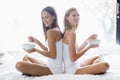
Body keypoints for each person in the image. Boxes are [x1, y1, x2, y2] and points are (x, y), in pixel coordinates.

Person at [16, 6, 63, 76]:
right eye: (43, 18)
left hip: (53, 69)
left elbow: (52, 55)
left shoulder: (51, 32)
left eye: (47, 17)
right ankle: (34, 70)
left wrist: (35, 50)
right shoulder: (56, 29)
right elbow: (49, 50)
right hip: (52, 65)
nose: (44, 20)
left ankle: (33, 71)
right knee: (26, 57)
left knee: (18, 65)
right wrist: (36, 41)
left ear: (53, 17)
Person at [63, 8, 109, 74]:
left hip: (76, 65)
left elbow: (78, 50)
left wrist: (87, 40)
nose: (77, 17)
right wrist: (89, 47)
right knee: (106, 65)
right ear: (67, 18)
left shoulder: (70, 32)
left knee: (98, 57)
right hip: (73, 70)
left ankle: (92, 68)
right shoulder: (71, 34)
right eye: (74, 15)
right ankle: (93, 68)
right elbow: (73, 58)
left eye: (78, 15)